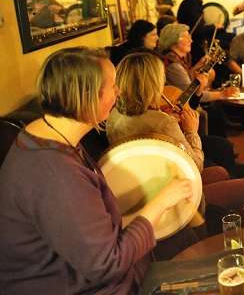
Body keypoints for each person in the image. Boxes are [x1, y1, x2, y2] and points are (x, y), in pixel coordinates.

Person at [0, 47, 193, 293]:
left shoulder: (49, 139)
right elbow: (107, 264)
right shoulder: (54, 172)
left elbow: (95, 231)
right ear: (89, 95)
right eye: (112, 86)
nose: (119, 91)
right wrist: (161, 202)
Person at [106, 52, 244, 223]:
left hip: (142, 190)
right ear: (153, 83)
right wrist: (191, 131)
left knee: (220, 172)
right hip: (171, 197)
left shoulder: (114, 115)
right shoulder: (162, 122)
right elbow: (196, 166)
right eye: (160, 78)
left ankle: (218, 222)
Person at [158, 23, 237, 103]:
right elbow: (190, 95)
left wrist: (198, 66)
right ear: (174, 40)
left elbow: (188, 81)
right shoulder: (173, 65)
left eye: (190, 37)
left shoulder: (179, 59)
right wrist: (222, 94)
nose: (191, 41)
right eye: (187, 37)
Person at [177, 0, 219, 65]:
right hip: (191, 47)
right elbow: (198, 30)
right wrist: (214, 26)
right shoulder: (191, 3)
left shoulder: (195, 2)